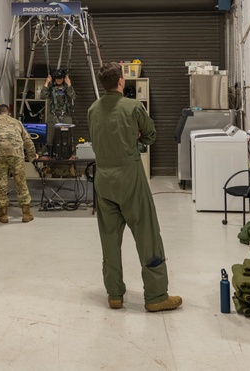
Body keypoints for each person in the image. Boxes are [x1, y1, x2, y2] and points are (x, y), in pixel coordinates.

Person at [87, 62, 182, 313]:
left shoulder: (92, 110)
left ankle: (114, 294)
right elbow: (150, 134)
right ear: (121, 81)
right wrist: (137, 140)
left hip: (102, 179)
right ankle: (156, 296)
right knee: (147, 234)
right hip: (130, 177)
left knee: (109, 238)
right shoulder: (133, 107)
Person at [43, 68, 76, 154]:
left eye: (60, 78)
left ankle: (70, 158)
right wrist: (46, 83)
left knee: (68, 137)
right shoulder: (51, 88)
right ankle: (48, 156)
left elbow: (73, 96)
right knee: (49, 137)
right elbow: (43, 96)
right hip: (53, 115)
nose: (58, 80)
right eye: (57, 78)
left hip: (65, 115)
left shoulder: (67, 88)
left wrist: (69, 84)